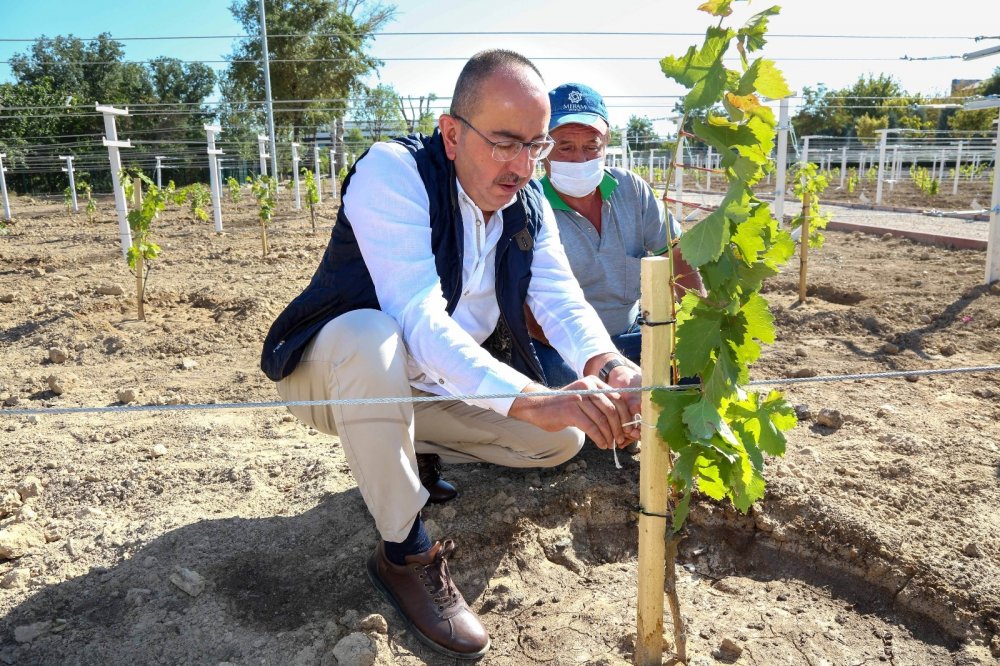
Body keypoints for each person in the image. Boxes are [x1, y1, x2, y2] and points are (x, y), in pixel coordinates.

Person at [260, 51, 643, 660]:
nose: (523, 166)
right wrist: (530, 398)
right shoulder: (394, 172)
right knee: (371, 334)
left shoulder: (527, 203)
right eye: (505, 143)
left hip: (426, 386)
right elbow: (418, 318)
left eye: (535, 146)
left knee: (558, 440)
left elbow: (560, 298)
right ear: (452, 132)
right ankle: (404, 552)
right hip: (332, 374)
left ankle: (406, 446)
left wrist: (609, 365)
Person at [528, 82, 704, 387]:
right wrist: (607, 365)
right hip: (561, 347)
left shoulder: (631, 190)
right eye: (565, 147)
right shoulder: (530, 207)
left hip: (631, 334)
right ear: (543, 149)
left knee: (691, 370)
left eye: (591, 146)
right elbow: (530, 315)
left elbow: (677, 256)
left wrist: (701, 325)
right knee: (583, 400)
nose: (580, 159)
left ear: (606, 144)